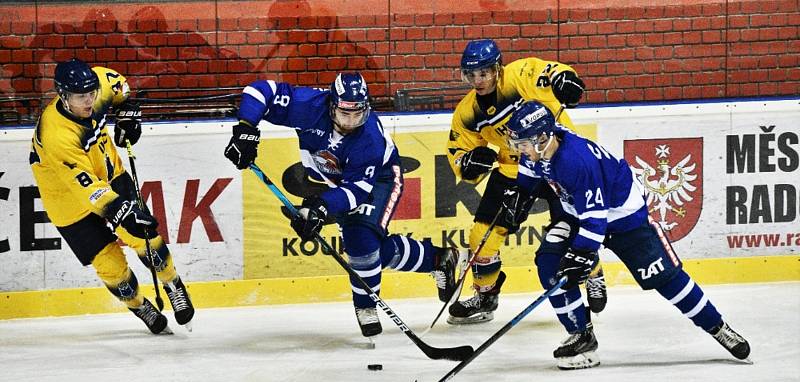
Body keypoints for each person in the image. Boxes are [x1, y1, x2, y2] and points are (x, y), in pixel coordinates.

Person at [502, 100, 751, 369]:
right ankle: (581, 336)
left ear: (542, 138)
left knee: (664, 278)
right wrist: (521, 192)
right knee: (550, 262)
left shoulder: (575, 163)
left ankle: (717, 327)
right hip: (579, 213)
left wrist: (583, 253)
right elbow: (530, 170)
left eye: (523, 144)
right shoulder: (542, 146)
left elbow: (595, 220)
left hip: (623, 217)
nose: (520, 150)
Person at [224, 72, 464, 337]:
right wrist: (247, 128)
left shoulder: (369, 139)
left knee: (360, 240)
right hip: (331, 179)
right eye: (344, 114)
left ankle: (366, 305)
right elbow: (260, 91)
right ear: (331, 105)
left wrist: (320, 208)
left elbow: (358, 190)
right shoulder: (309, 105)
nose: (351, 122)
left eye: (357, 114)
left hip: (380, 180)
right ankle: (438, 258)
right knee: (367, 250)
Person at [445, 39, 607, 325]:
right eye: (471, 75)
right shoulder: (468, 111)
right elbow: (459, 152)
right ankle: (485, 296)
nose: (478, 80)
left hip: (557, 159)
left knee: (574, 229)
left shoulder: (519, 76)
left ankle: (593, 273)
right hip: (515, 166)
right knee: (481, 237)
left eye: (484, 73)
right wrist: (469, 165)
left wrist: (564, 79)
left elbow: (548, 72)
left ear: (497, 68)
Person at [29, 58, 195, 334]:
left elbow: (120, 87)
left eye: (92, 93)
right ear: (63, 95)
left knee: (146, 238)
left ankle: (173, 283)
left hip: (110, 174)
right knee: (112, 269)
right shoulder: (57, 134)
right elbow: (88, 189)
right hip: (68, 201)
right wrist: (121, 212)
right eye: (81, 96)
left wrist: (128, 110)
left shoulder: (100, 85)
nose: (89, 101)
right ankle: (139, 305)